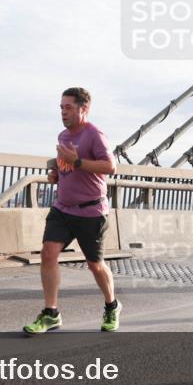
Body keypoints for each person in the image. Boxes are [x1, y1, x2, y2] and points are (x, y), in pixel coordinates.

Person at [23, 87, 121, 334]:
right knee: (48, 253)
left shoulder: (95, 135)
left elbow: (111, 167)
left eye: (68, 107)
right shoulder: (63, 136)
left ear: (83, 108)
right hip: (63, 209)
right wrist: (57, 174)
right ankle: (51, 313)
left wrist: (77, 161)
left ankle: (112, 305)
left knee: (95, 264)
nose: (63, 112)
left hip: (91, 211)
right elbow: (66, 167)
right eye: (61, 107)